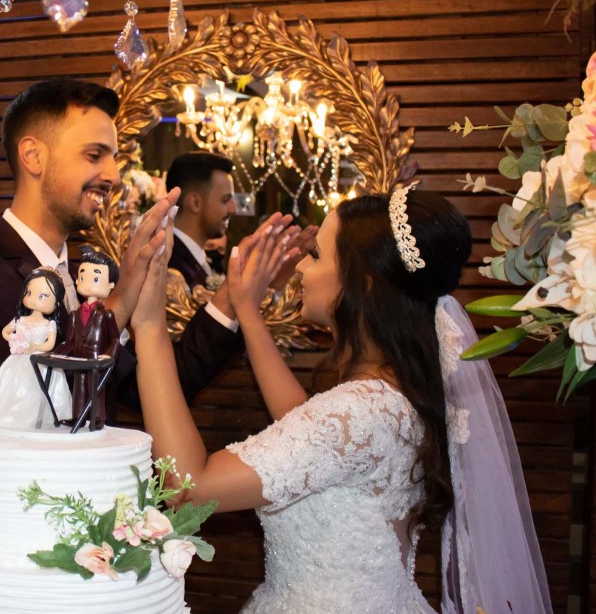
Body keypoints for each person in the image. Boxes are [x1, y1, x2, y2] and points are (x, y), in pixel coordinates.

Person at [129, 184, 552, 612]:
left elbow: (190, 489)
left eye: (315, 256)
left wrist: (148, 326)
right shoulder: (391, 394)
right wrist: (248, 311)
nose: (301, 268)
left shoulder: (359, 410)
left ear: (361, 283)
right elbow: (304, 428)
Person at [0, 79, 294, 405]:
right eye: (94, 155)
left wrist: (232, 293)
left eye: (114, 158)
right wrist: (123, 295)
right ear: (33, 156)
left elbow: (151, 391)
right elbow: (14, 417)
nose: (114, 176)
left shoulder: (83, 279)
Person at [0, 267, 72, 430]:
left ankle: (36, 422)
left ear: (56, 302)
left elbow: (50, 345)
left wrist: (34, 347)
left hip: (40, 362)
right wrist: (13, 339)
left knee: (37, 392)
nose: (34, 300)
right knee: (12, 389)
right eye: (29, 293)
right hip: (18, 360)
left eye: (43, 296)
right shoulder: (20, 320)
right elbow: (5, 331)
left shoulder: (49, 324)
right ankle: (11, 420)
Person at [56, 251, 121, 429]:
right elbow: (69, 342)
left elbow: (115, 338)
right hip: (79, 359)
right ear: (77, 280)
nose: (88, 283)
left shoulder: (106, 315)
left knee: (96, 388)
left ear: (110, 285)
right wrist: (56, 353)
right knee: (79, 388)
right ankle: (77, 416)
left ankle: (97, 417)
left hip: (96, 359)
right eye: (83, 277)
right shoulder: (75, 315)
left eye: (96, 278)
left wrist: (109, 355)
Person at [164, 152, 239, 288]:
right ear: (195, 203)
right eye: (225, 199)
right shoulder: (170, 266)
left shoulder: (199, 259)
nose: (234, 209)